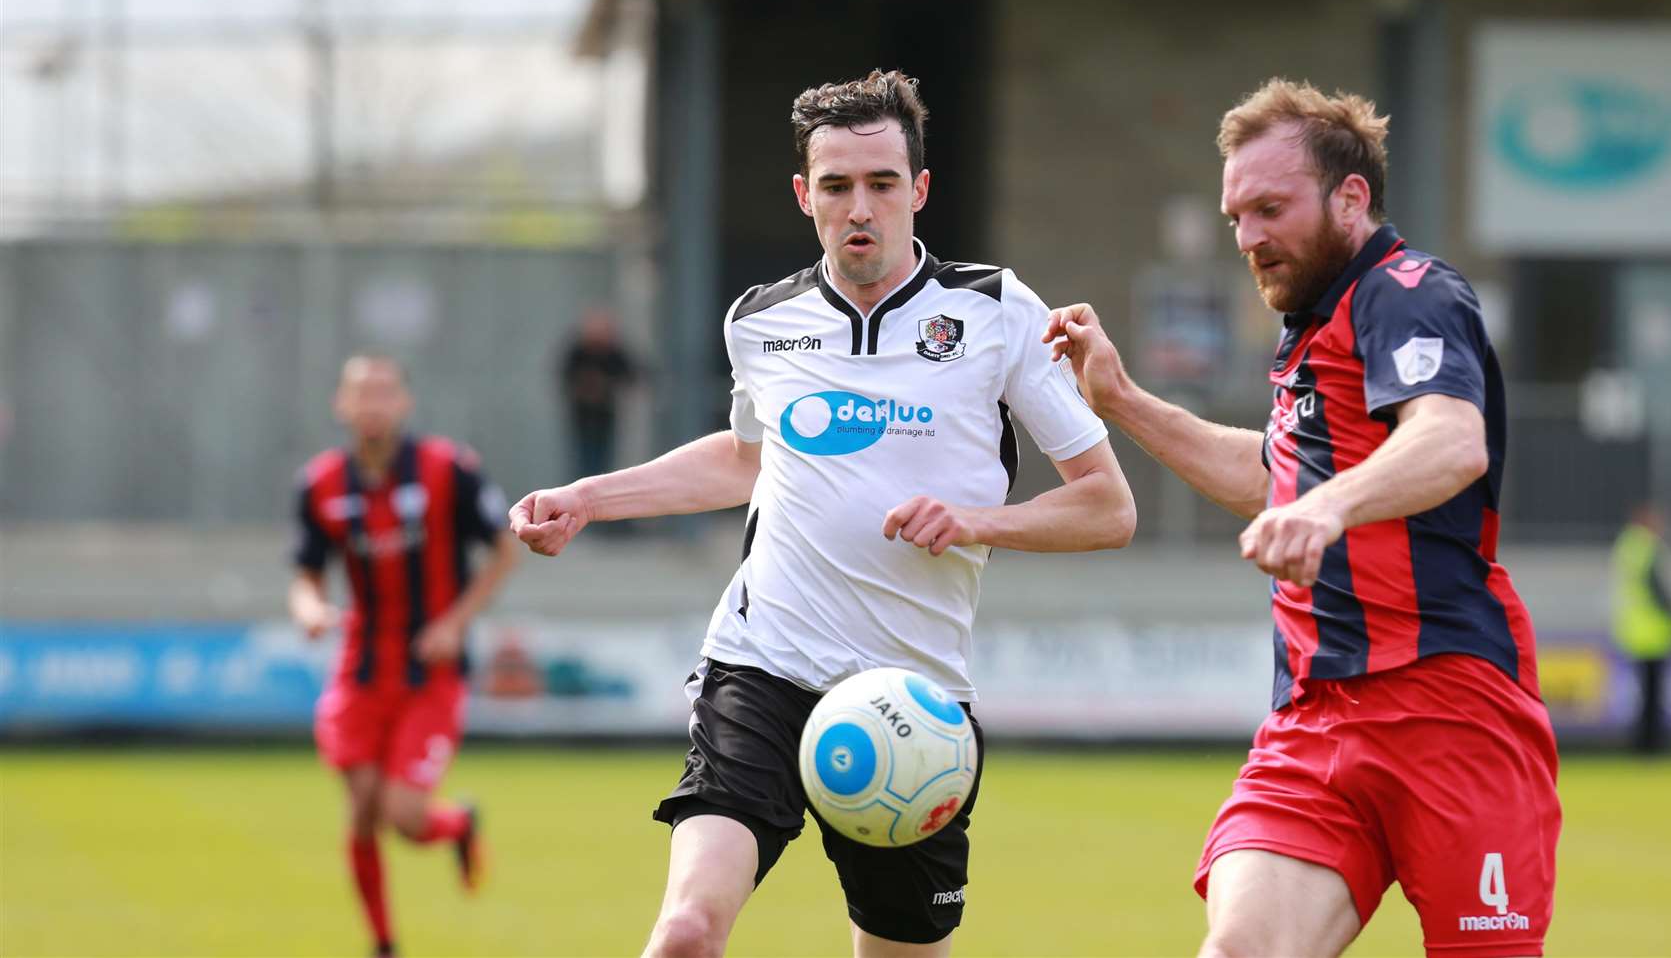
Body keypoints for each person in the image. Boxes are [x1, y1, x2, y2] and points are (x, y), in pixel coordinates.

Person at [509, 70, 1135, 958]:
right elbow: (747, 460)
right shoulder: (761, 321)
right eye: (836, 186)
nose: (860, 208)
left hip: (911, 705)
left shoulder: (996, 311)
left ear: (919, 190)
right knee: (686, 929)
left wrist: (973, 520)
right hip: (763, 666)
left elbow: (1108, 507)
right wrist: (586, 498)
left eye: (882, 184)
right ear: (806, 196)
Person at [1044, 79, 1561, 957]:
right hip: (1315, 717)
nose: (1248, 238)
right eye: (1235, 216)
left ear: (1350, 198)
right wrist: (1122, 399)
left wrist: (1325, 507)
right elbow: (1273, 474)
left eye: (1270, 208)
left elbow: (1450, 440)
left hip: (1450, 707)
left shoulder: (1410, 292)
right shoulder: (1308, 327)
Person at [289, 354, 520, 958]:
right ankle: (383, 942)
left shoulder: (449, 469)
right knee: (362, 811)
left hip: (430, 672)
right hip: (361, 671)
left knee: (405, 815)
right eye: (360, 393)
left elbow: (503, 551)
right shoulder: (320, 483)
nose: (372, 403)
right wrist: (310, 611)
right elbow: (306, 576)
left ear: (405, 403)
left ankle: (458, 824)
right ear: (342, 405)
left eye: (384, 392)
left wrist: (453, 623)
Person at [1612, 502, 1671, 754]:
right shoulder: (1647, 547)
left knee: (1645, 695)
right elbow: (1657, 589)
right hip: (1653, 632)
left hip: (1634, 631)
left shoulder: (1627, 546)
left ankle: (1641, 744)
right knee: (1654, 696)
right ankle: (1653, 746)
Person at [560, 307, 646, 483]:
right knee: (583, 459)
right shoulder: (578, 351)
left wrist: (606, 385)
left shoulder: (613, 352)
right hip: (582, 416)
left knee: (603, 459)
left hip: (604, 416)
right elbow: (564, 376)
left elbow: (633, 375)